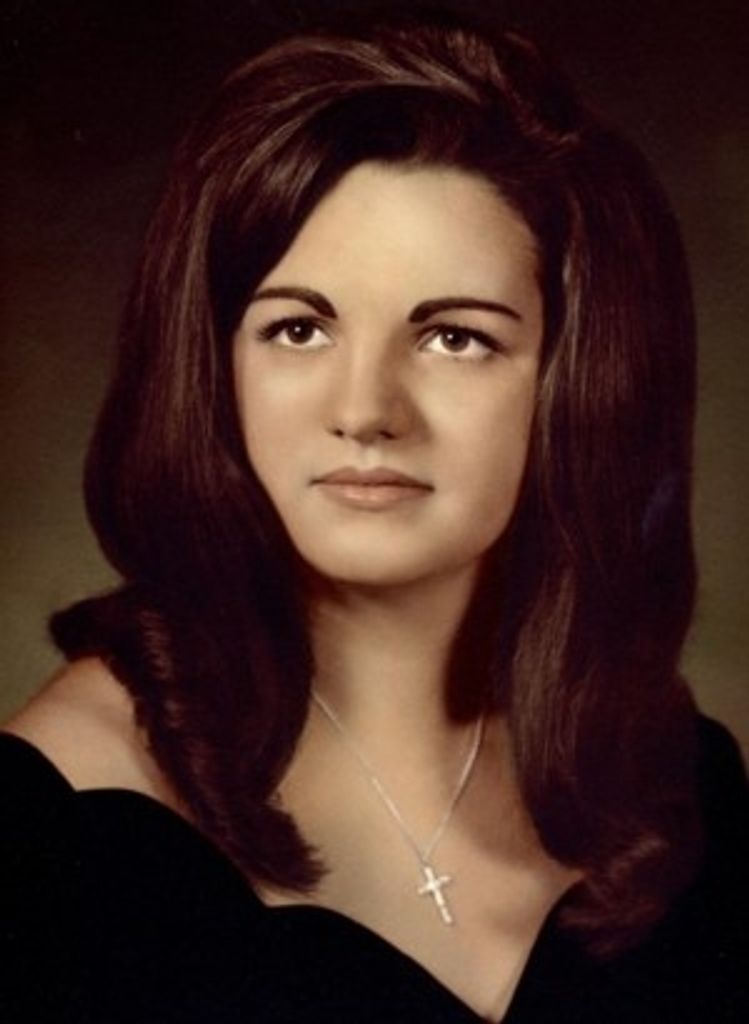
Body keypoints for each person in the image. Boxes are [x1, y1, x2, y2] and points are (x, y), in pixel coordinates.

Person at [1, 9, 747, 1023]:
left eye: (453, 338)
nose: (364, 411)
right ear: (212, 364)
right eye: (298, 328)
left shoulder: (677, 784)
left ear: (579, 384)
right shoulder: (57, 820)